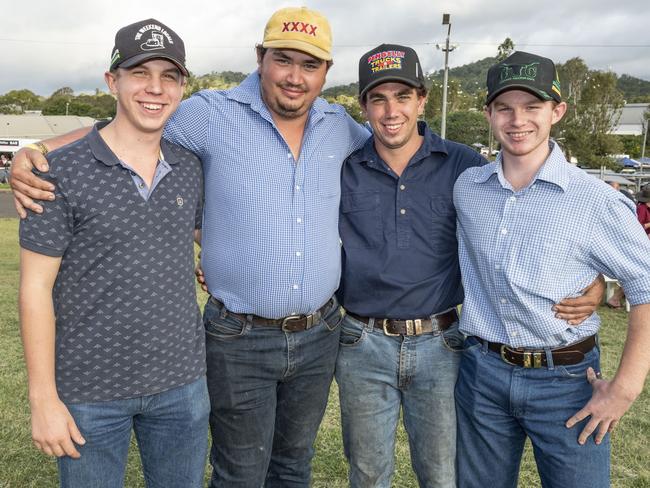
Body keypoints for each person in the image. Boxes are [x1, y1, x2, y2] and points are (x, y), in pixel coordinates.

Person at [11, 7, 368, 487]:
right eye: (283, 60)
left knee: (293, 465)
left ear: (327, 71)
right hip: (238, 337)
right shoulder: (209, 112)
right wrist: (38, 151)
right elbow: (126, 128)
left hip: (319, 332)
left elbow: (391, 150)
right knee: (239, 472)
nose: (294, 76)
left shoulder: (340, 126)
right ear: (260, 58)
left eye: (310, 65)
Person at [334, 44, 602, 488]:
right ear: (363, 106)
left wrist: (594, 280)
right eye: (377, 98)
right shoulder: (344, 167)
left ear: (422, 100)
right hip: (362, 342)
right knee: (366, 472)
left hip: (442, 343)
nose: (391, 110)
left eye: (403, 96)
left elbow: (526, 219)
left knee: (442, 474)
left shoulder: (464, 165)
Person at [18, 19, 209, 488]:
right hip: (89, 391)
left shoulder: (189, 167)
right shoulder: (56, 171)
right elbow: (34, 290)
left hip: (181, 385)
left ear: (182, 86)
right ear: (112, 81)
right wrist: (43, 399)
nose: (155, 88)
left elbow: (203, 237)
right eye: (140, 72)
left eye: (169, 76)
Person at [453, 51, 650, 488]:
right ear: (488, 113)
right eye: (504, 107)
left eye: (532, 107)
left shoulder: (593, 199)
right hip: (482, 373)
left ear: (557, 111)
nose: (517, 119)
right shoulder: (468, 189)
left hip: (567, 381)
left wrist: (625, 388)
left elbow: (646, 281)